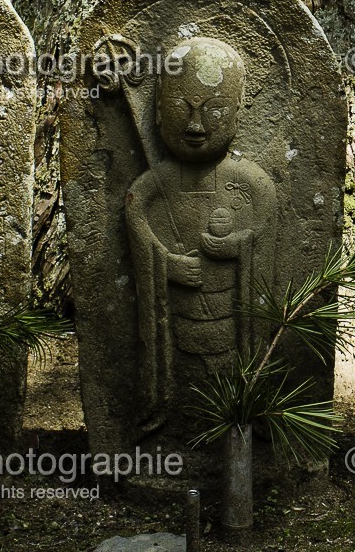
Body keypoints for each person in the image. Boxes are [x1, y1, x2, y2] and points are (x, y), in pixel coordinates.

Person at [126, 36, 276, 441]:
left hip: (231, 327)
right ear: (158, 112)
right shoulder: (152, 185)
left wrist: (237, 247)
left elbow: (263, 244)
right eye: (179, 109)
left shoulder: (252, 185)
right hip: (175, 328)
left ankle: (241, 427)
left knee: (227, 382)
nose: (195, 125)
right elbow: (137, 216)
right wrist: (166, 264)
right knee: (185, 391)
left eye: (214, 110)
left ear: (238, 112)